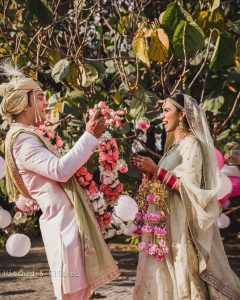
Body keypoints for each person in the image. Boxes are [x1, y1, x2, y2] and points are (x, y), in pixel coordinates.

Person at [0, 64, 120, 300]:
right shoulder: (23, 140)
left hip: (69, 224)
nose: (46, 103)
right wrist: (89, 136)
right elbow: (60, 170)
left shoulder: (29, 135)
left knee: (81, 294)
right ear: (24, 103)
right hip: (62, 227)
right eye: (40, 98)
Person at [130, 93, 240, 300]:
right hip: (167, 223)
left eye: (166, 111)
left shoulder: (192, 145)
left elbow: (190, 188)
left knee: (182, 271)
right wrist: (150, 172)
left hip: (181, 225)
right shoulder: (175, 147)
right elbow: (166, 180)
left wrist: (156, 170)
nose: (162, 117)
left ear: (181, 114)